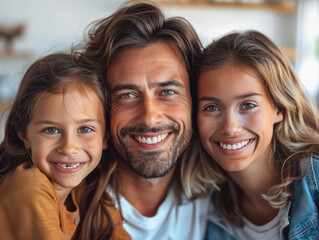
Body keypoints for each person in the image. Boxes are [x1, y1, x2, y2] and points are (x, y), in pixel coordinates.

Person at [74, 1, 212, 239]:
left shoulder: (225, 198)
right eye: (127, 95)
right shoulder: (67, 207)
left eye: (168, 92)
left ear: (194, 98)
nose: (149, 118)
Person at [195, 30, 319, 239]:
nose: (230, 127)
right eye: (211, 107)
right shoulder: (206, 206)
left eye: (248, 105)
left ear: (279, 107)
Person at [0, 53, 130, 240]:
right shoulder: (27, 190)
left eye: (85, 129)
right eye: (51, 130)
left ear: (105, 136)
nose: (69, 148)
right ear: (23, 134)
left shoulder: (88, 191)